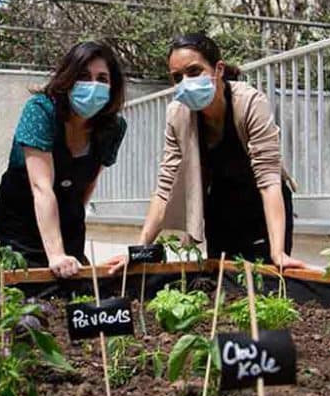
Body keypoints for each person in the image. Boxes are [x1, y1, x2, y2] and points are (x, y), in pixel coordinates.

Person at [116, 33, 303, 270]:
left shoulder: (248, 103)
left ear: (219, 69)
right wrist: (140, 249)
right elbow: (166, 187)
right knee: (221, 287)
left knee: (265, 283)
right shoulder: (178, 115)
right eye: (177, 77)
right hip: (219, 207)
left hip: (259, 207)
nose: (185, 82)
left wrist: (278, 253)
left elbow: (269, 180)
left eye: (194, 72)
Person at [0, 41, 127, 277]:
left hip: (66, 214)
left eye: (102, 78)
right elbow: (41, 187)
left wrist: (73, 221)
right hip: (22, 217)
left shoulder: (112, 127)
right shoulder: (41, 110)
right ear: (68, 79)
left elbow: (89, 181)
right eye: (84, 76)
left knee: (74, 290)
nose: (93, 85)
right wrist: (56, 254)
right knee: (26, 290)